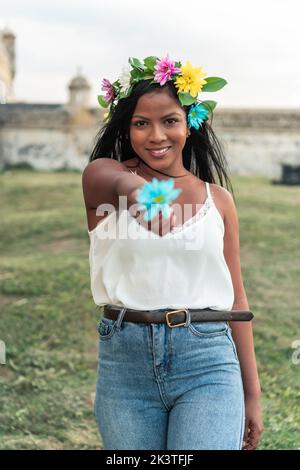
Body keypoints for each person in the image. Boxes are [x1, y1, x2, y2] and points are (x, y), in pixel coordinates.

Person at [82, 55, 263, 450]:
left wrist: (252, 393)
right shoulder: (103, 179)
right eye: (141, 123)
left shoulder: (219, 201)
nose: (156, 135)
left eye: (170, 121)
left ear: (189, 124)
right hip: (124, 366)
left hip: (208, 361)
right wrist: (142, 194)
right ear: (126, 127)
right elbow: (115, 180)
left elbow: (237, 297)